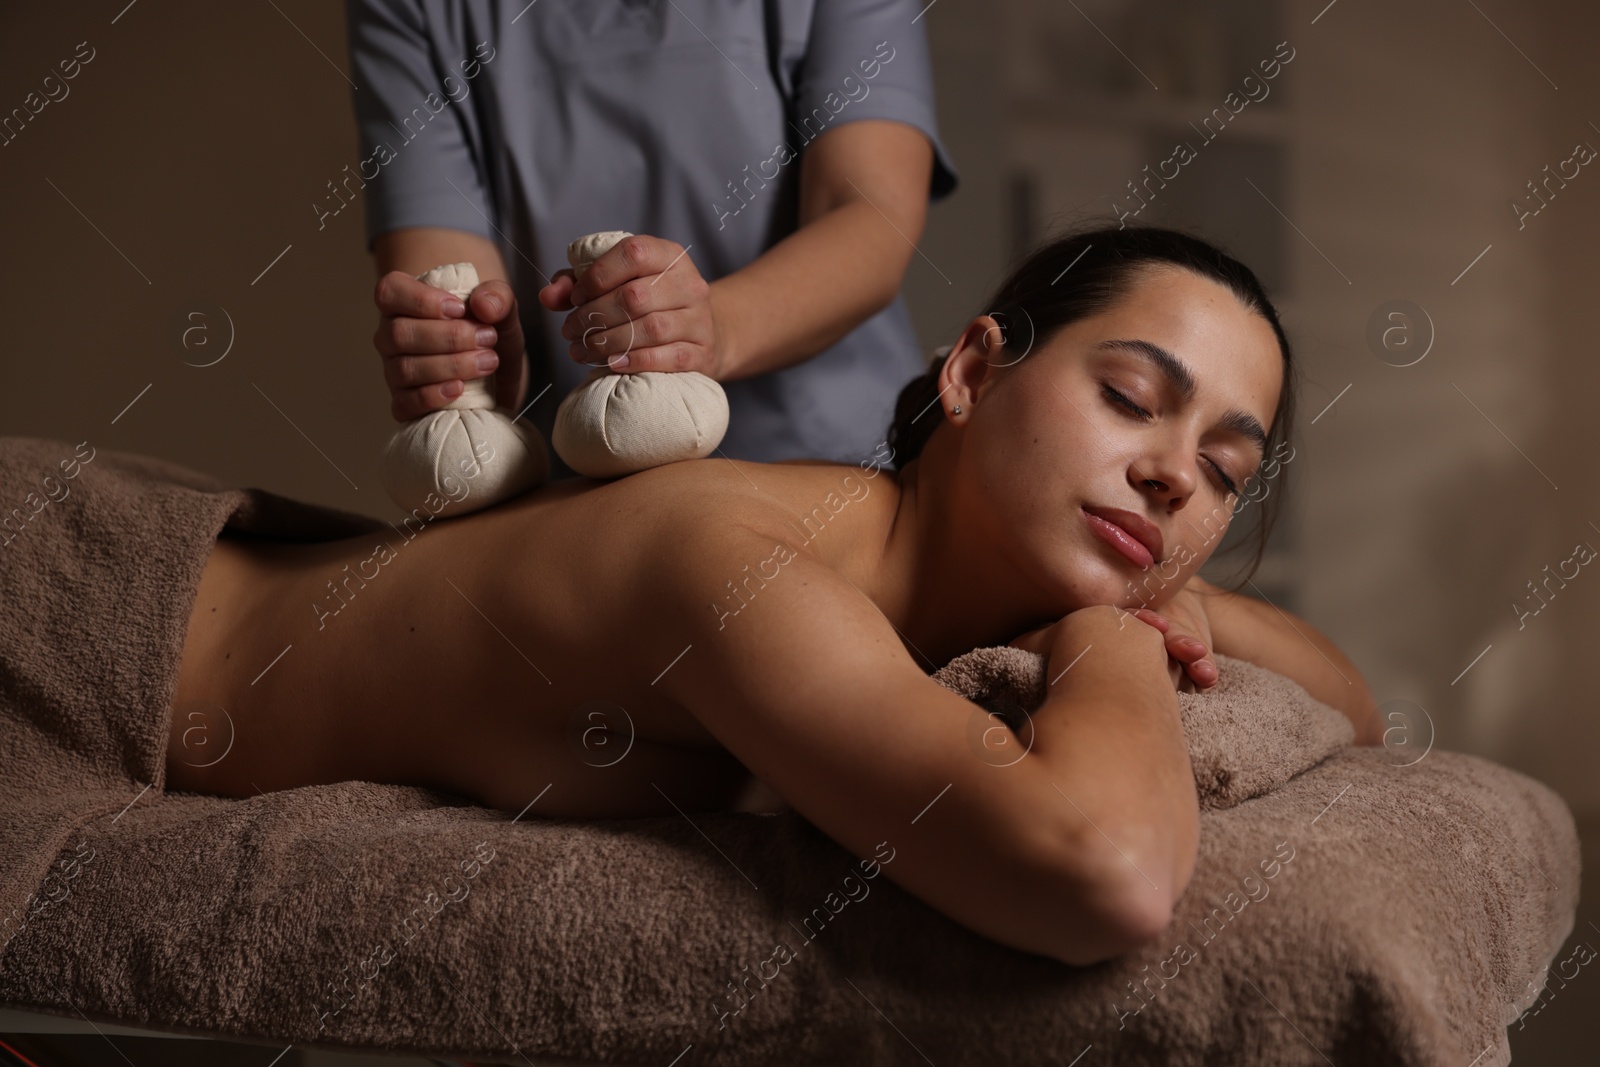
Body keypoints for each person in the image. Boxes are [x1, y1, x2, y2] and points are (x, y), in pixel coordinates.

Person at [165, 225, 1381, 968]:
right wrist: (1112, 634)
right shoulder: (740, 559)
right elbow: (1105, 874)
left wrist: (1175, 589)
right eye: (1128, 397)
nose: (1174, 472)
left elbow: (1352, 704)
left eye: (1223, 471)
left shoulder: (916, 583)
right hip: (113, 624)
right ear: (969, 371)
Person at [343, 0, 959, 477]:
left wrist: (710, 329)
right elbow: (449, 274)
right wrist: (465, 354)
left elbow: (869, 217)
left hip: (836, 472)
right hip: (586, 522)